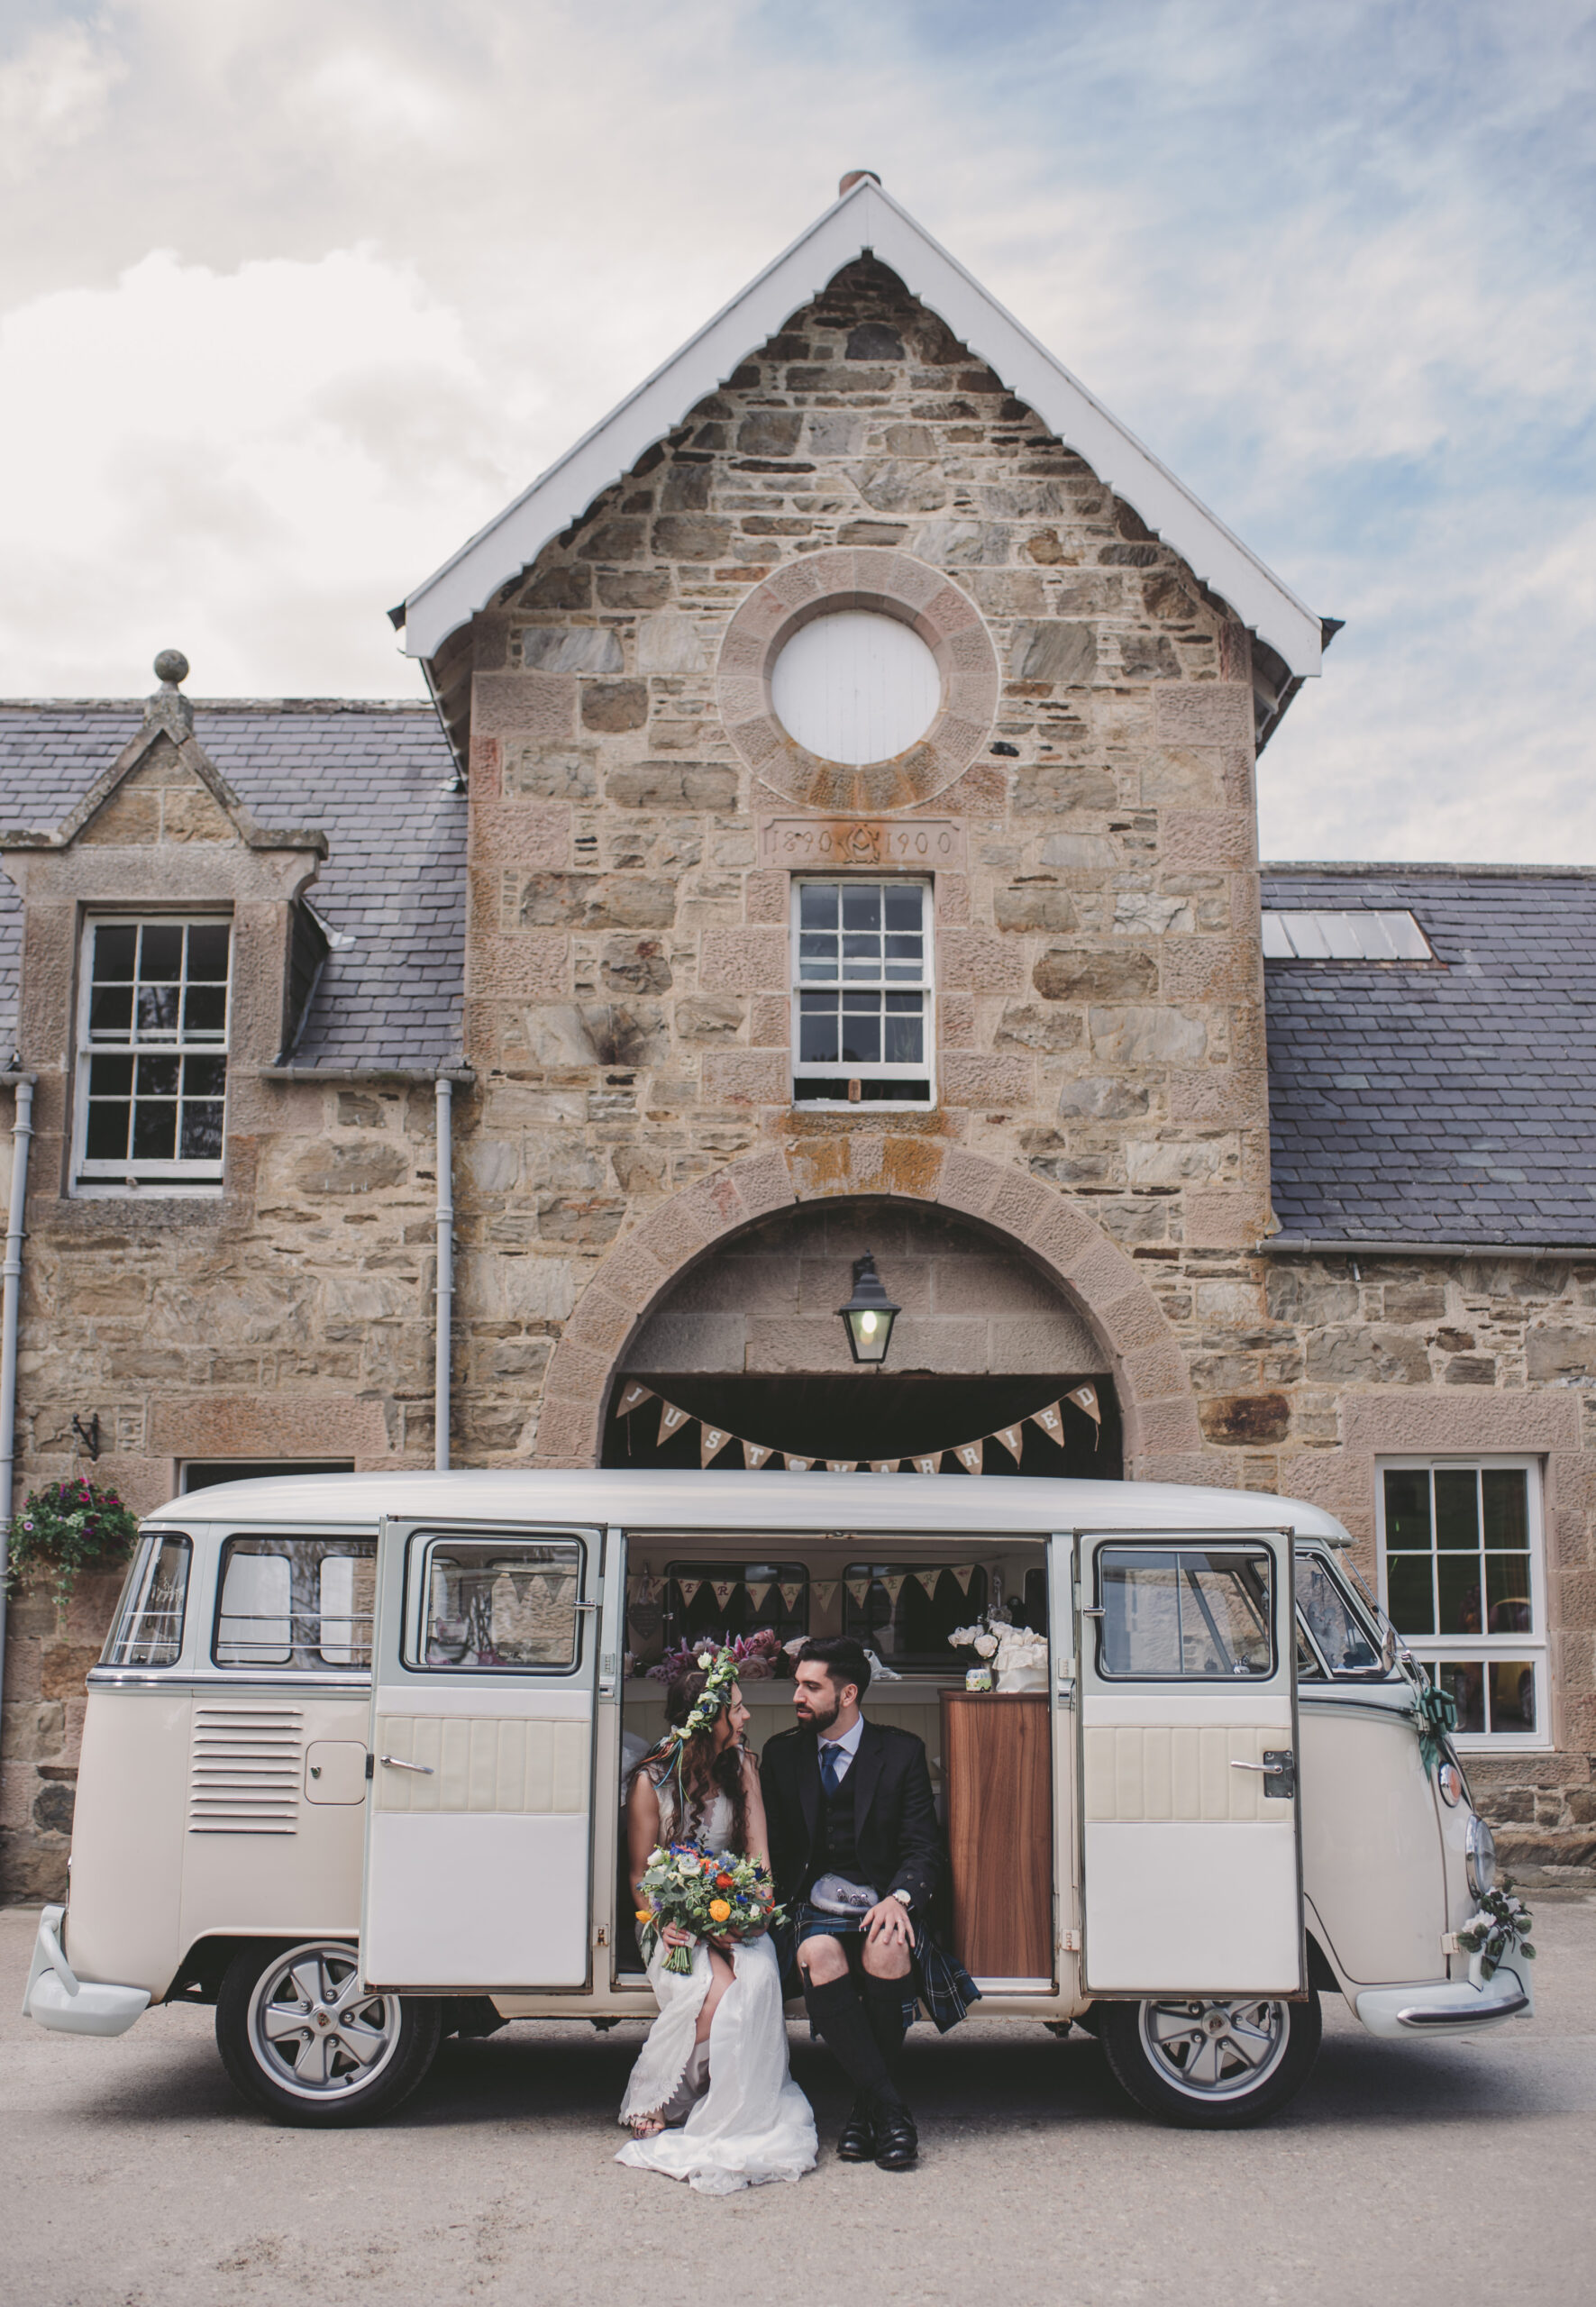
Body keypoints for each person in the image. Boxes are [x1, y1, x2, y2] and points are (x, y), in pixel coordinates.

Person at [761, 1636, 978, 2173]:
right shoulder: (782, 1753)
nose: (797, 1697)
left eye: (812, 1687)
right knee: (820, 1953)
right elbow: (772, 1848)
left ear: (849, 1693)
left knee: (888, 1951)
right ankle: (888, 2109)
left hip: (882, 1897)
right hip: (811, 1903)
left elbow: (923, 1848)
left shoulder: (899, 1752)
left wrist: (900, 1899)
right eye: (798, 1685)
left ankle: (865, 2107)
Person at [616, 1649, 817, 2193]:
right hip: (669, 1919)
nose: (747, 1716)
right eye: (738, 1707)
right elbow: (640, 1874)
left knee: (751, 1984)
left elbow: (760, 1861)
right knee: (711, 1991)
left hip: (737, 1912)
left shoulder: (744, 1767)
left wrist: (751, 1915)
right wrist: (668, 1923)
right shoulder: (651, 1783)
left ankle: (722, 2099)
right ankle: (663, 2098)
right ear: (710, 1719)